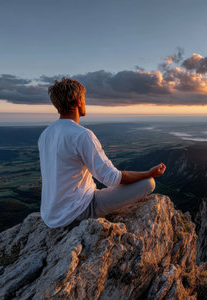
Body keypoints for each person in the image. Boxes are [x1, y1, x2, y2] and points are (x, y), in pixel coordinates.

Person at [38, 77, 166, 228]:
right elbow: (112, 178)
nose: (85, 102)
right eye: (83, 98)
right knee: (148, 184)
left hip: (50, 215)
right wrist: (148, 173)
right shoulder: (82, 135)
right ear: (78, 101)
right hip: (78, 211)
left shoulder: (46, 134)